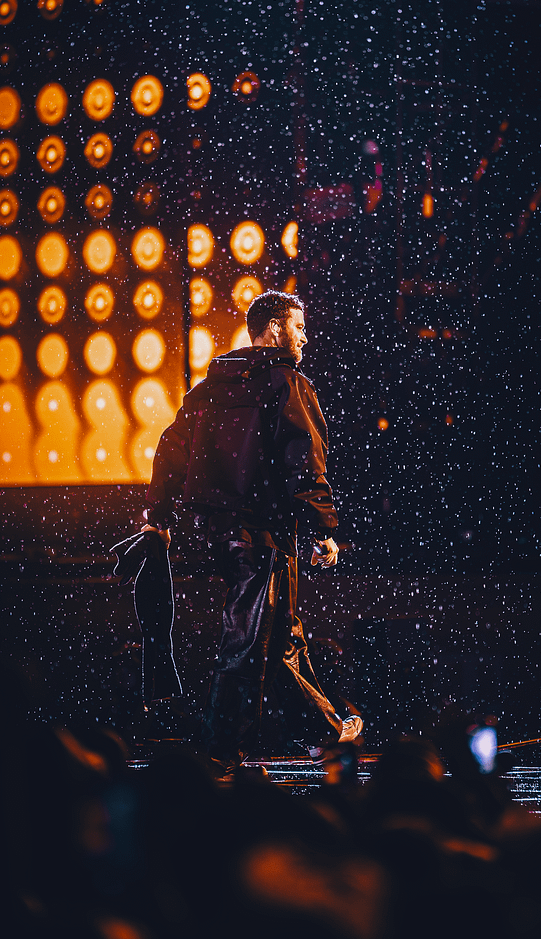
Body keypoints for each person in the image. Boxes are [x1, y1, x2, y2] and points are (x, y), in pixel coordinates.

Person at [142, 290, 362, 770]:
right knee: (247, 641)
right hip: (263, 533)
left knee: (279, 634)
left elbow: (171, 447)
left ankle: (324, 731)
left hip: (220, 533)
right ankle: (220, 750)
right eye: (299, 327)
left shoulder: (210, 389)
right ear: (277, 327)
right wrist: (323, 527)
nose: (305, 336)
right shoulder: (286, 384)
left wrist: (157, 511)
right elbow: (303, 460)